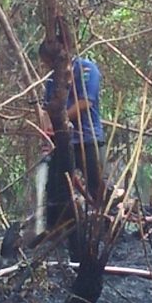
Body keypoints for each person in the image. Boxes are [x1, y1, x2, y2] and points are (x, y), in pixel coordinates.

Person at [43, 56, 107, 204]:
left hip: (87, 139)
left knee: (97, 186)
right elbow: (47, 109)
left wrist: (60, 120)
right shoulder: (52, 79)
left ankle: (105, 214)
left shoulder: (87, 69)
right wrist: (47, 130)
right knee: (57, 190)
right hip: (62, 142)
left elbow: (85, 102)